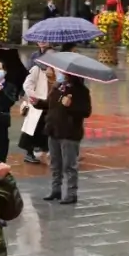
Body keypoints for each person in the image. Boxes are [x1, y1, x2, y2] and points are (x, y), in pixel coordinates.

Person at [31, 69, 91, 205]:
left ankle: (71, 193)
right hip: (53, 130)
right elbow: (50, 104)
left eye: (65, 73)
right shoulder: (58, 87)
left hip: (69, 133)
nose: (62, 75)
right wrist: (37, 103)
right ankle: (55, 190)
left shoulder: (81, 91)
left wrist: (70, 106)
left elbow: (86, 111)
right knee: (55, 163)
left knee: (70, 165)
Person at [19, 62, 50, 164]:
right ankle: (29, 153)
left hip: (49, 105)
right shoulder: (37, 69)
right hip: (37, 105)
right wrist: (33, 96)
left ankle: (45, 150)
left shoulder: (57, 72)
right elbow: (27, 85)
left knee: (45, 130)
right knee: (32, 130)